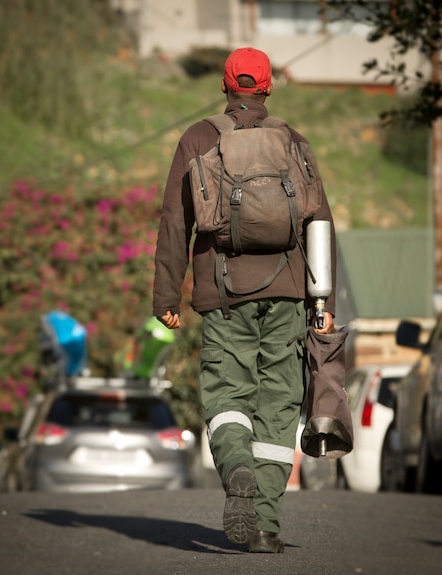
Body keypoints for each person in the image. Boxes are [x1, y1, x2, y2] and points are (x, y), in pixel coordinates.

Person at [152, 47, 337, 553]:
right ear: (268, 87)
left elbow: (175, 221)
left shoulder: (197, 138)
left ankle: (235, 468)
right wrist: (323, 304)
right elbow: (320, 222)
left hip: (222, 290)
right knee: (277, 404)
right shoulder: (293, 141)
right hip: (288, 292)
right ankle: (265, 528)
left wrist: (167, 294)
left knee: (226, 394)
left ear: (225, 85)